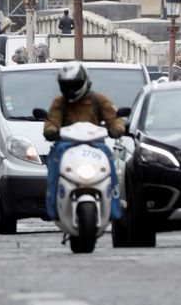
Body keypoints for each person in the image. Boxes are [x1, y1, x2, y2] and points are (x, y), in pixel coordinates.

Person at [42, 62, 125, 220]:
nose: (71, 89)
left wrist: (116, 128)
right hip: (66, 146)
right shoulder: (59, 103)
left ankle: (113, 206)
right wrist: (51, 130)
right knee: (53, 162)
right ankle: (53, 204)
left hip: (96, 145)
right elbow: (52, 122)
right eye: (66, 85)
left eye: (75, 85)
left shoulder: (98, 100)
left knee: (110, 162)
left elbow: (114, 118)